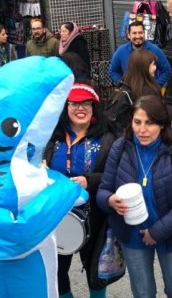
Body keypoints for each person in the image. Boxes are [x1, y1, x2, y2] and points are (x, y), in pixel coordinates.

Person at [96, 95, 172, 298]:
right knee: (143, 293)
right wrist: (109, 200)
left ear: (161, 124)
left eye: (149, 123)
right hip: (132, 234)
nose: (142, 130)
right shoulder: (120, 147)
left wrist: (156, 232)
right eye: (137, 122)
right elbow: (103, 190)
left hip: (171, 235)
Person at [44, 83, 116, 298]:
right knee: (57, 269)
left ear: (94, 107)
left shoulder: (107, 138)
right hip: (56, 214)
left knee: (96, 269)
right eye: (74, 103)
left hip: (95, 214)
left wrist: (90, 181)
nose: (80, 108)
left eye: (86, 103)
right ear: (66, 107)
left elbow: (118, 176)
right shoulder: (52, 137)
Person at [108, 21, 172, 88]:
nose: (138, 36)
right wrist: (121, 83)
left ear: (144, 33)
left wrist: (155, 85)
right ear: (129, 35)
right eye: (134, 33)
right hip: (130, 93)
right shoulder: (121, 51)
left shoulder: (154, 50)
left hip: (149, 94)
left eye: (140, 32)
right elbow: (113, 71)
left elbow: (167, 71)